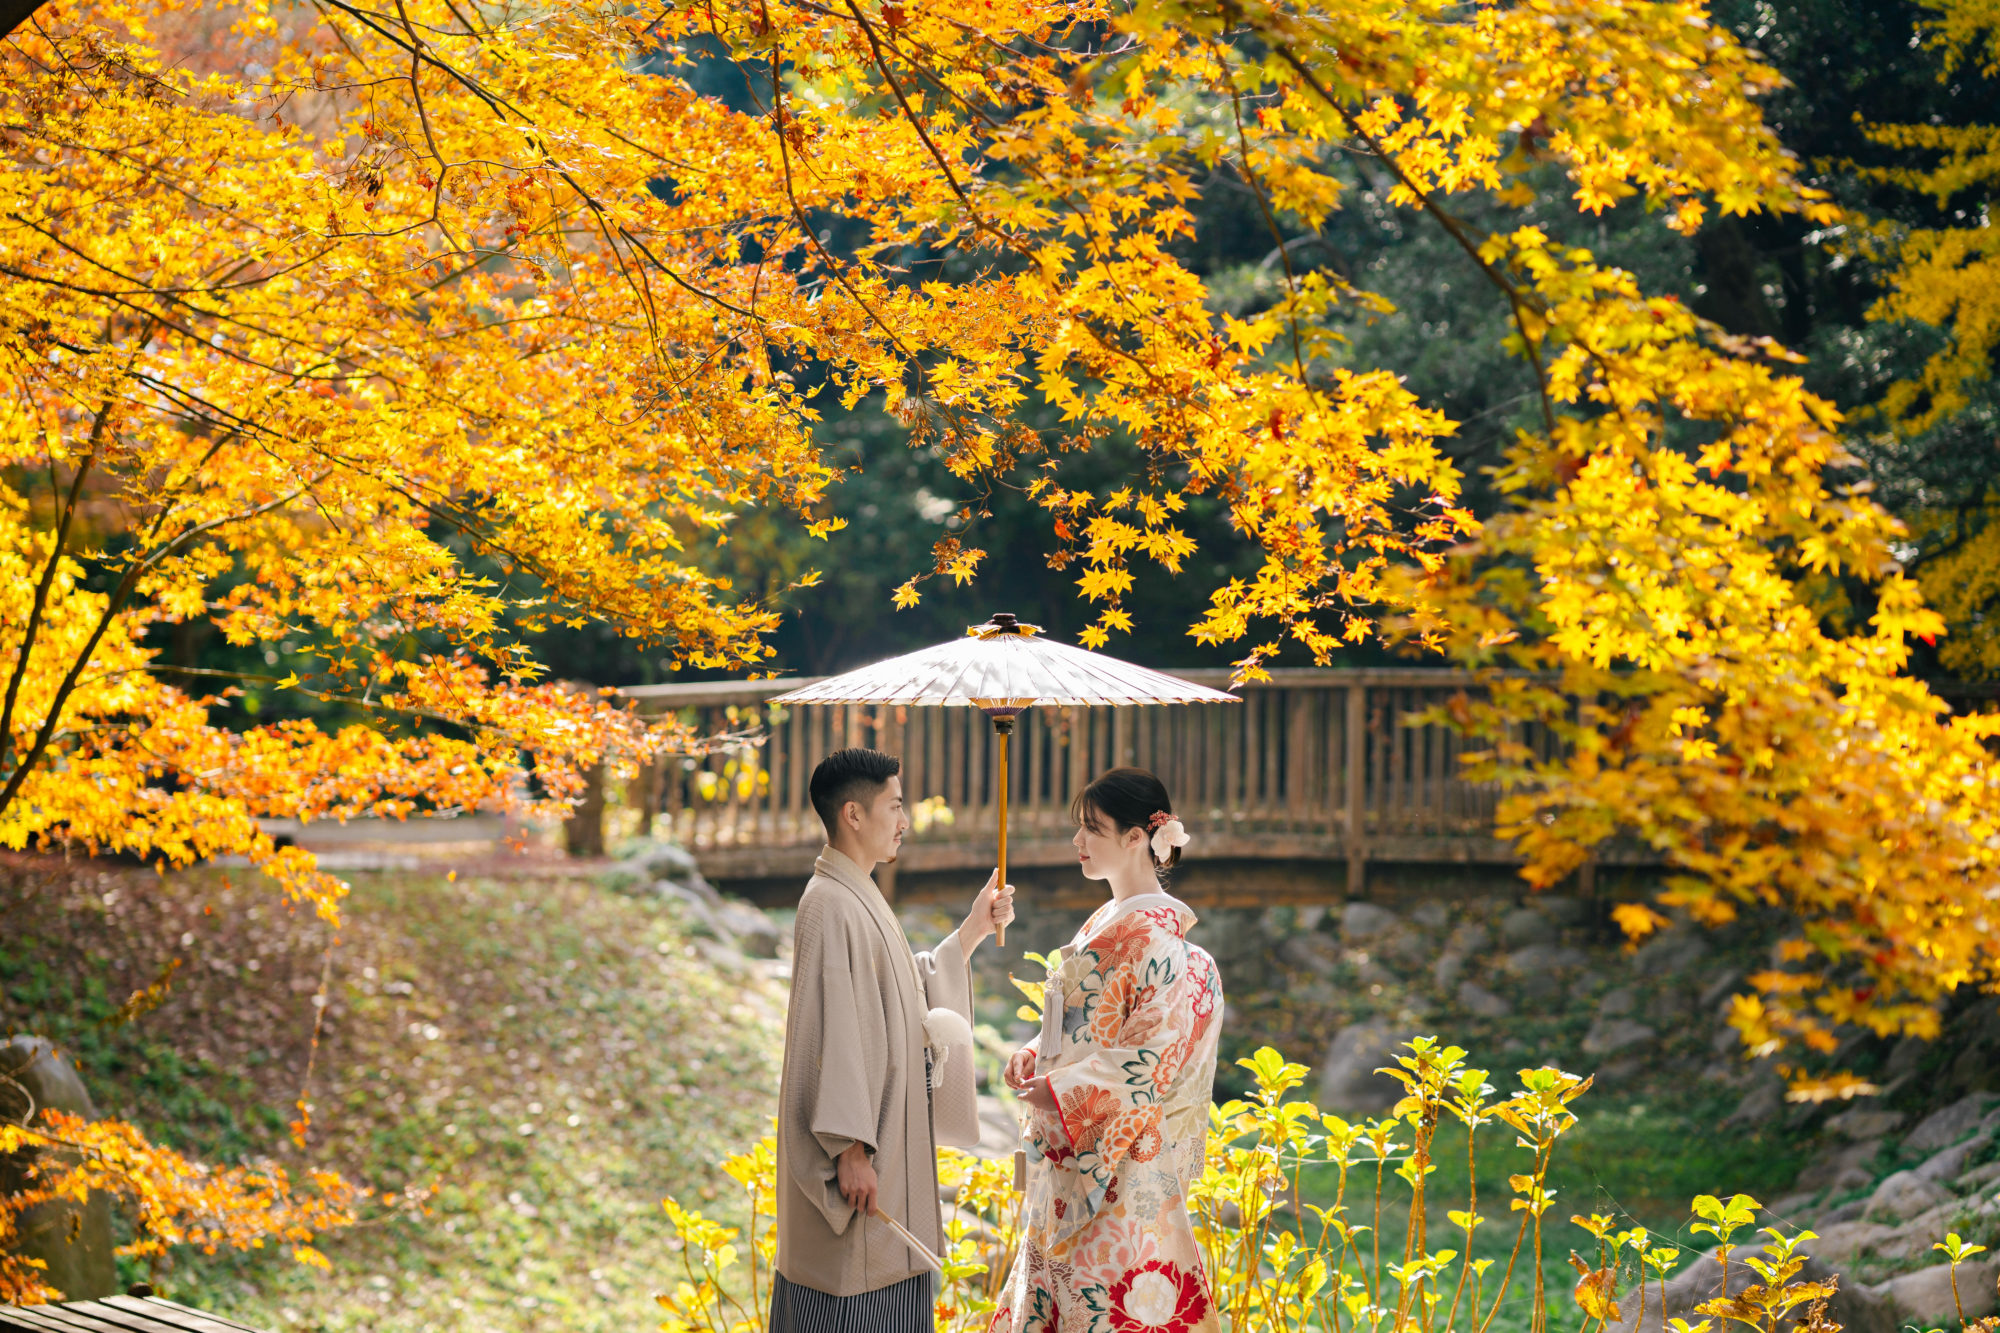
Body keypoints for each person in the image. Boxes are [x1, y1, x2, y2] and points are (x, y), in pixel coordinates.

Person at [772, 747, 1015, 1333]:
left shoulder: (855, 893)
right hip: (861, 1152)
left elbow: (903, 988)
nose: (905, 821)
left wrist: (974, 930)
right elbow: (831, 1031)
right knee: (851, 1299)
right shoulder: (829, 903)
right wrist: (849, 1150)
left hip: (883, 1145)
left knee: (889, 1290)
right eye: (895, 806)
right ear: (853, 814)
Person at [992, 767, 1225, 1333]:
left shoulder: (1166, 948)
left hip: (1122, 1167)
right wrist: (1036, 1051)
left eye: (1091, 829)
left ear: (1135, 838)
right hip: (1075, 1153)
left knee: (1110, 1301)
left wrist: (1059, 1088)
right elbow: (1084, 1029)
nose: (1077, 842)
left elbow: (1147, 1062)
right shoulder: (1104, 924)